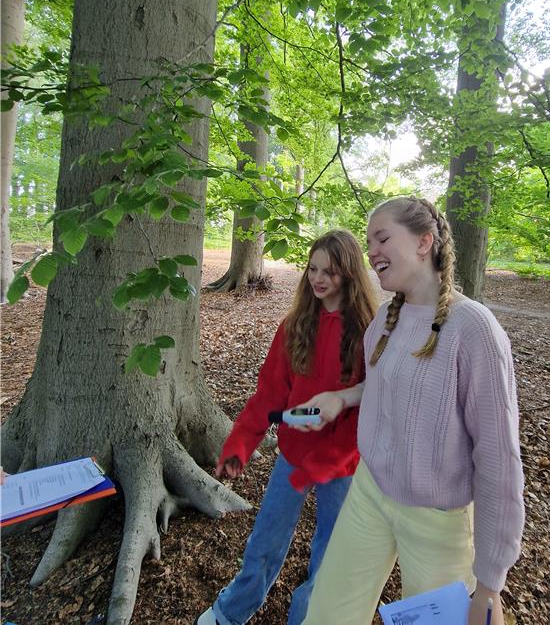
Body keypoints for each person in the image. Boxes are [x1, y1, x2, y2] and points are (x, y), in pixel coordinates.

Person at [296, 197, 525, 625]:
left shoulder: (474, 329)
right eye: (368, 243)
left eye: (382, 238)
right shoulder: (385, 318)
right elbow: (390, 387)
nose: (372, 252)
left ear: (425, 242)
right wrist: (342, 398)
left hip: (437, 519)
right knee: (326, 615)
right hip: (369, 492)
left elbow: (498, 459)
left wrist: (489, 586)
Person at [196, 229, 377, 625]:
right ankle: (232, 610)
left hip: (342, 464)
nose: (318, 278)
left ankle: (311, 617)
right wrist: (239, 445)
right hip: (294, 456)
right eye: (313, 269)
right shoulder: (295, 325)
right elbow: (269, 395)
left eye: (329, 271)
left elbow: (374, 401)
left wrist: (336, 454)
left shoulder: (368, 331)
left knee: (331, 553)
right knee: (265, 539)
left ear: (349, 274)